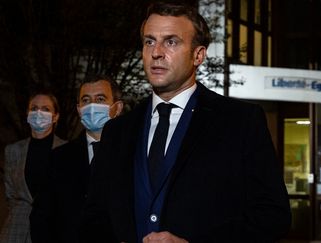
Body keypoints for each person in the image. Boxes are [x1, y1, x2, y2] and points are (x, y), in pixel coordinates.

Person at [83, 2, 291, 243]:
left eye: (171, 42)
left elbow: (273, 215)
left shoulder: (240, 122)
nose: (156, 52)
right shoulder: (117, 131)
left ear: (198, 55)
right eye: (149, 41)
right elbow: (93, 216)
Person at [29, 75, 124, 243]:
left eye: (100, 99)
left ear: (117, 108)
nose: (92, 106)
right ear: (79, 109)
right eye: (86, 100)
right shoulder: (58, 158)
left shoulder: (133, 155)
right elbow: (40, 217)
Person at [0, 90, 67, 243]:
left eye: (46, 109)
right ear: (27, 113)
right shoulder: (12, 150)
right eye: (34, 108)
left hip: (52, 230)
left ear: (55, 116)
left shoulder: (67, 150)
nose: (39, 113)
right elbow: (10, 194)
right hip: (15, 230)